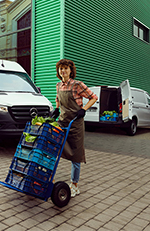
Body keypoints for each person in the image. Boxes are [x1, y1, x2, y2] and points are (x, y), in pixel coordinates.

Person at [52, 59, 98, 197]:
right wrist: (56, 109)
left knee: (76, 156)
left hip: (75, 124)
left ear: (71, 70)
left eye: (65, 68)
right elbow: (58, 100)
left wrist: (83, 109)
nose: (63, 71)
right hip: (62, 122)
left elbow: (93, 97)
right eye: (60, 69)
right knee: (53, 149)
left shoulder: (77, 85)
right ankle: (50, 179)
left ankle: (74, 185)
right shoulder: (58, 85)